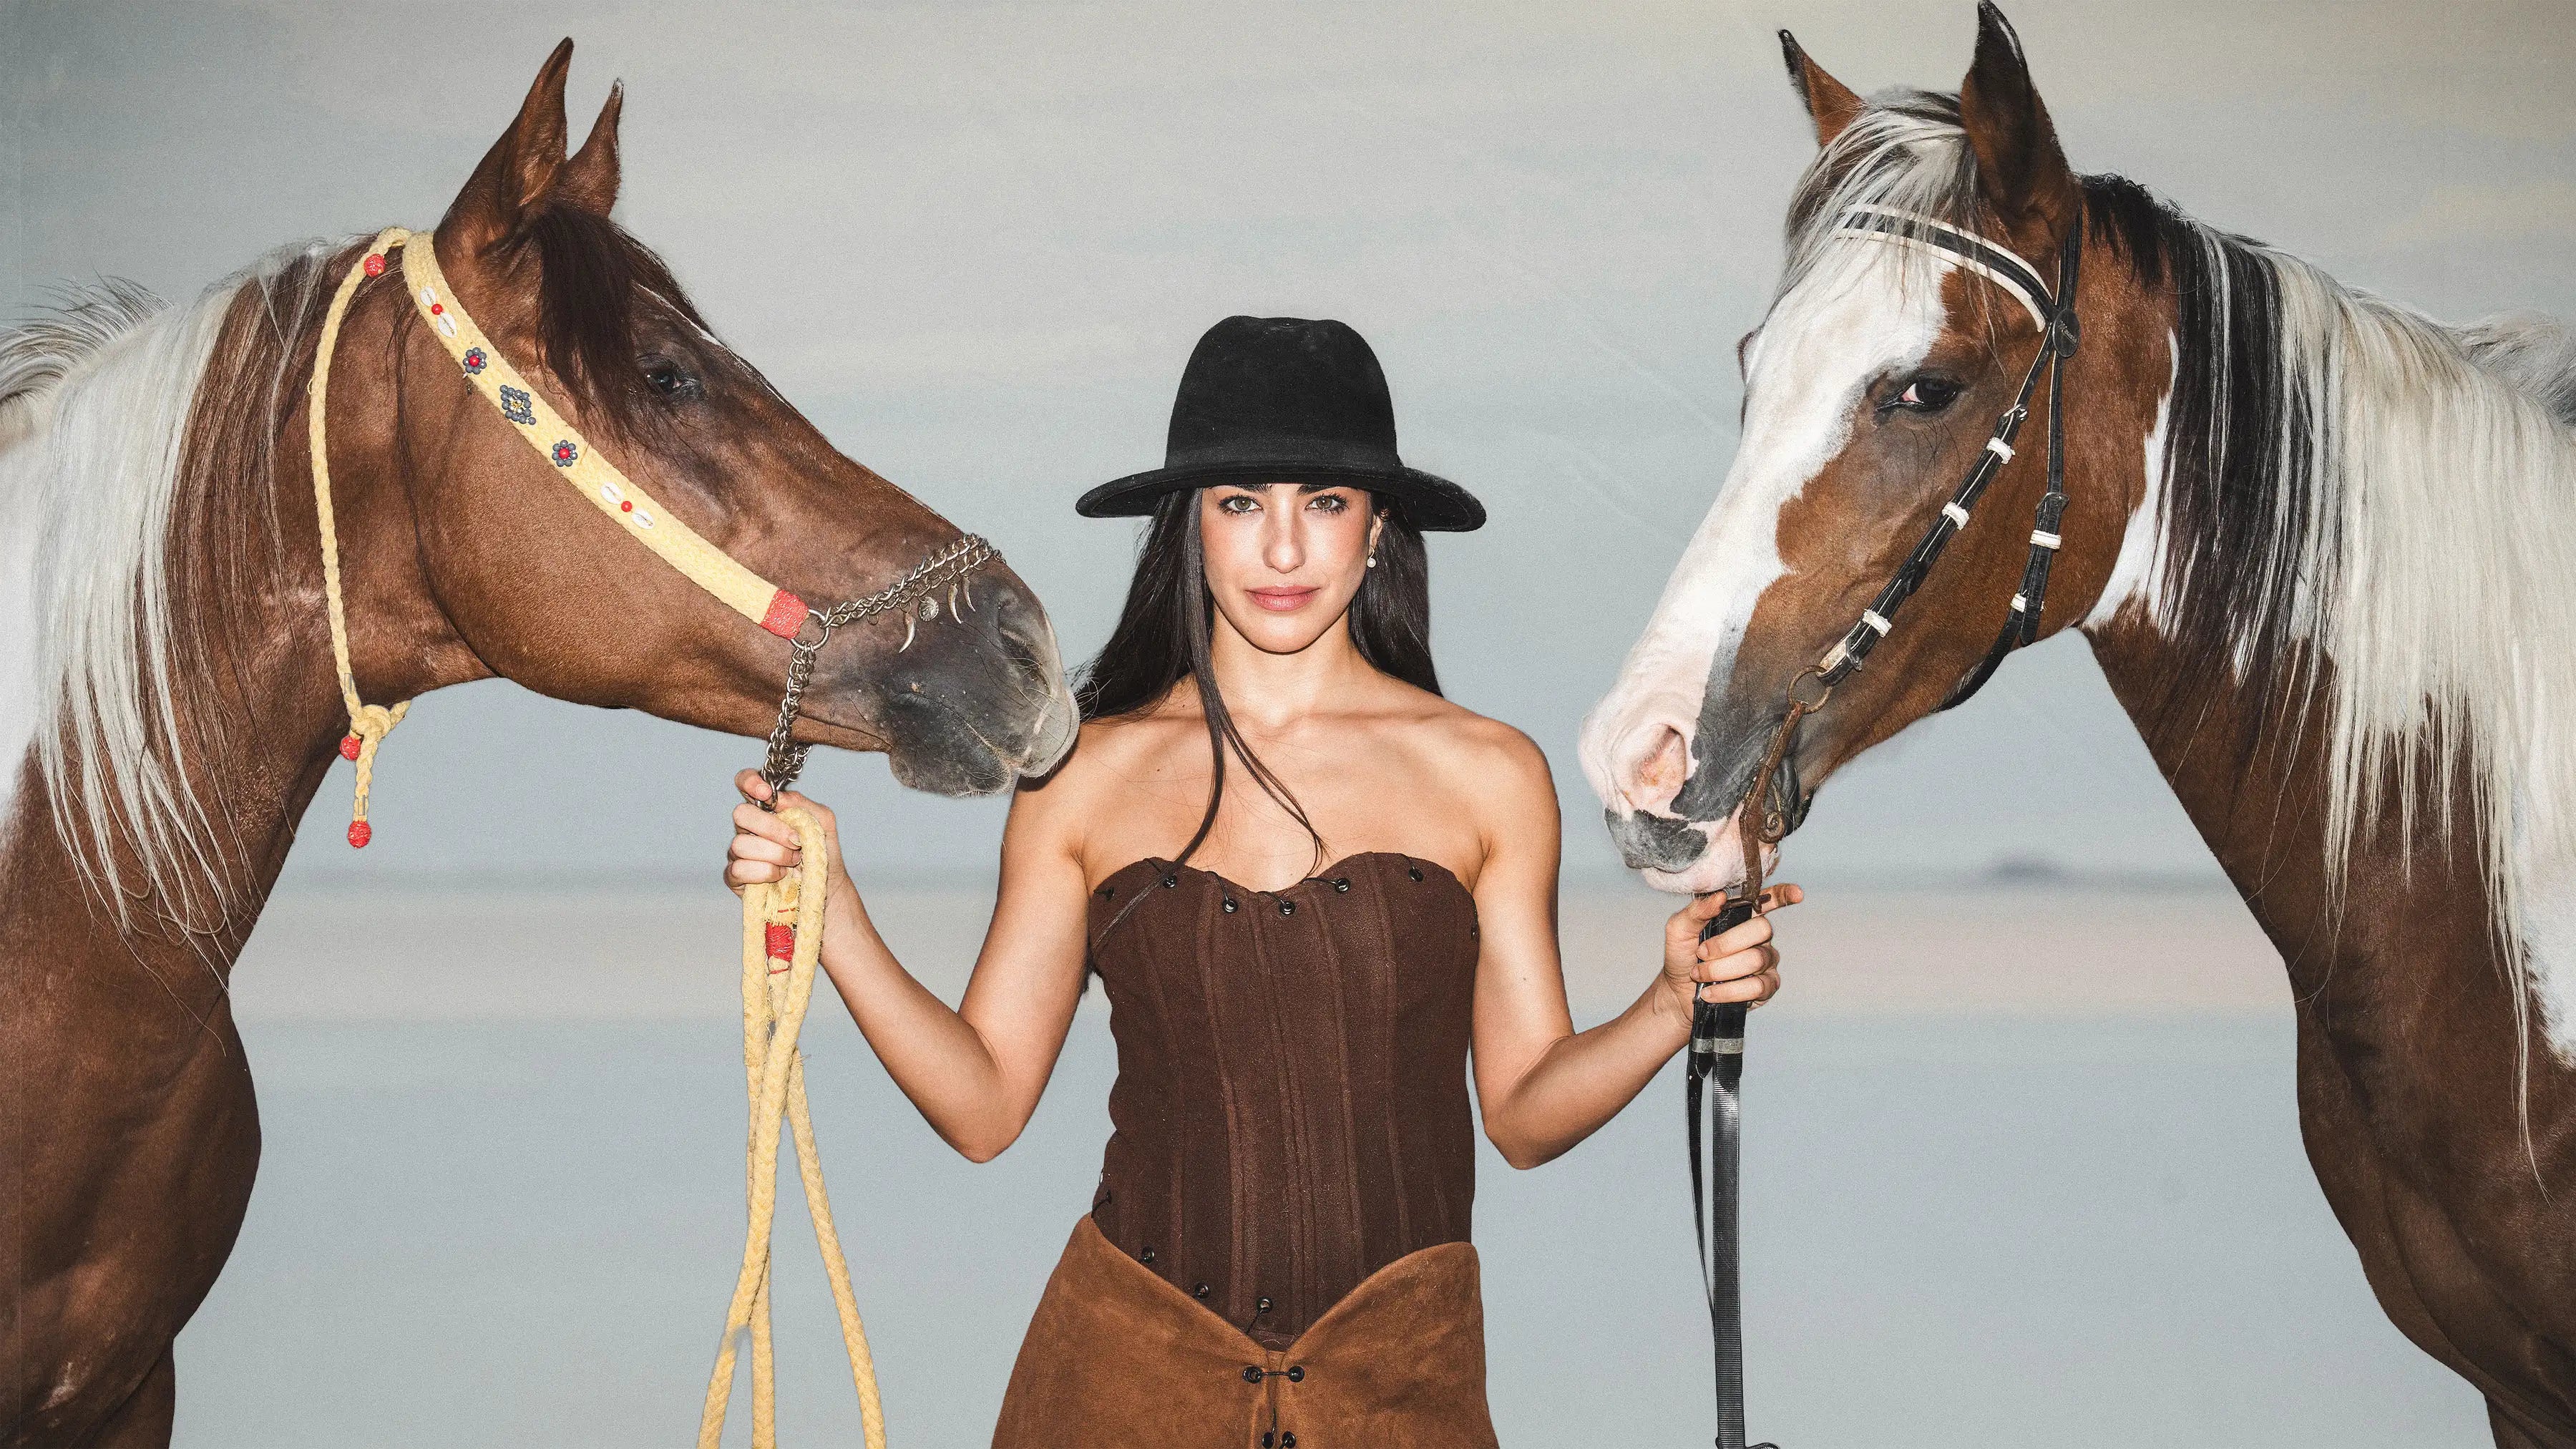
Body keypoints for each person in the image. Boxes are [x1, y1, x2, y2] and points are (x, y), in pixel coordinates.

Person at [723, 315, 1797, 1447]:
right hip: (1119, 1388)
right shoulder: (1081, 773)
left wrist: (1673, 1002)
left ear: (1379, 527)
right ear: (1189, 527)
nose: (1284, 549)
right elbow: (984, 1105)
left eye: (1324, 503)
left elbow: (1524, 1115)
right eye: (1241, 503)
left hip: (1404, 1396)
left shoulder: (1490, 774)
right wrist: (832, 910)